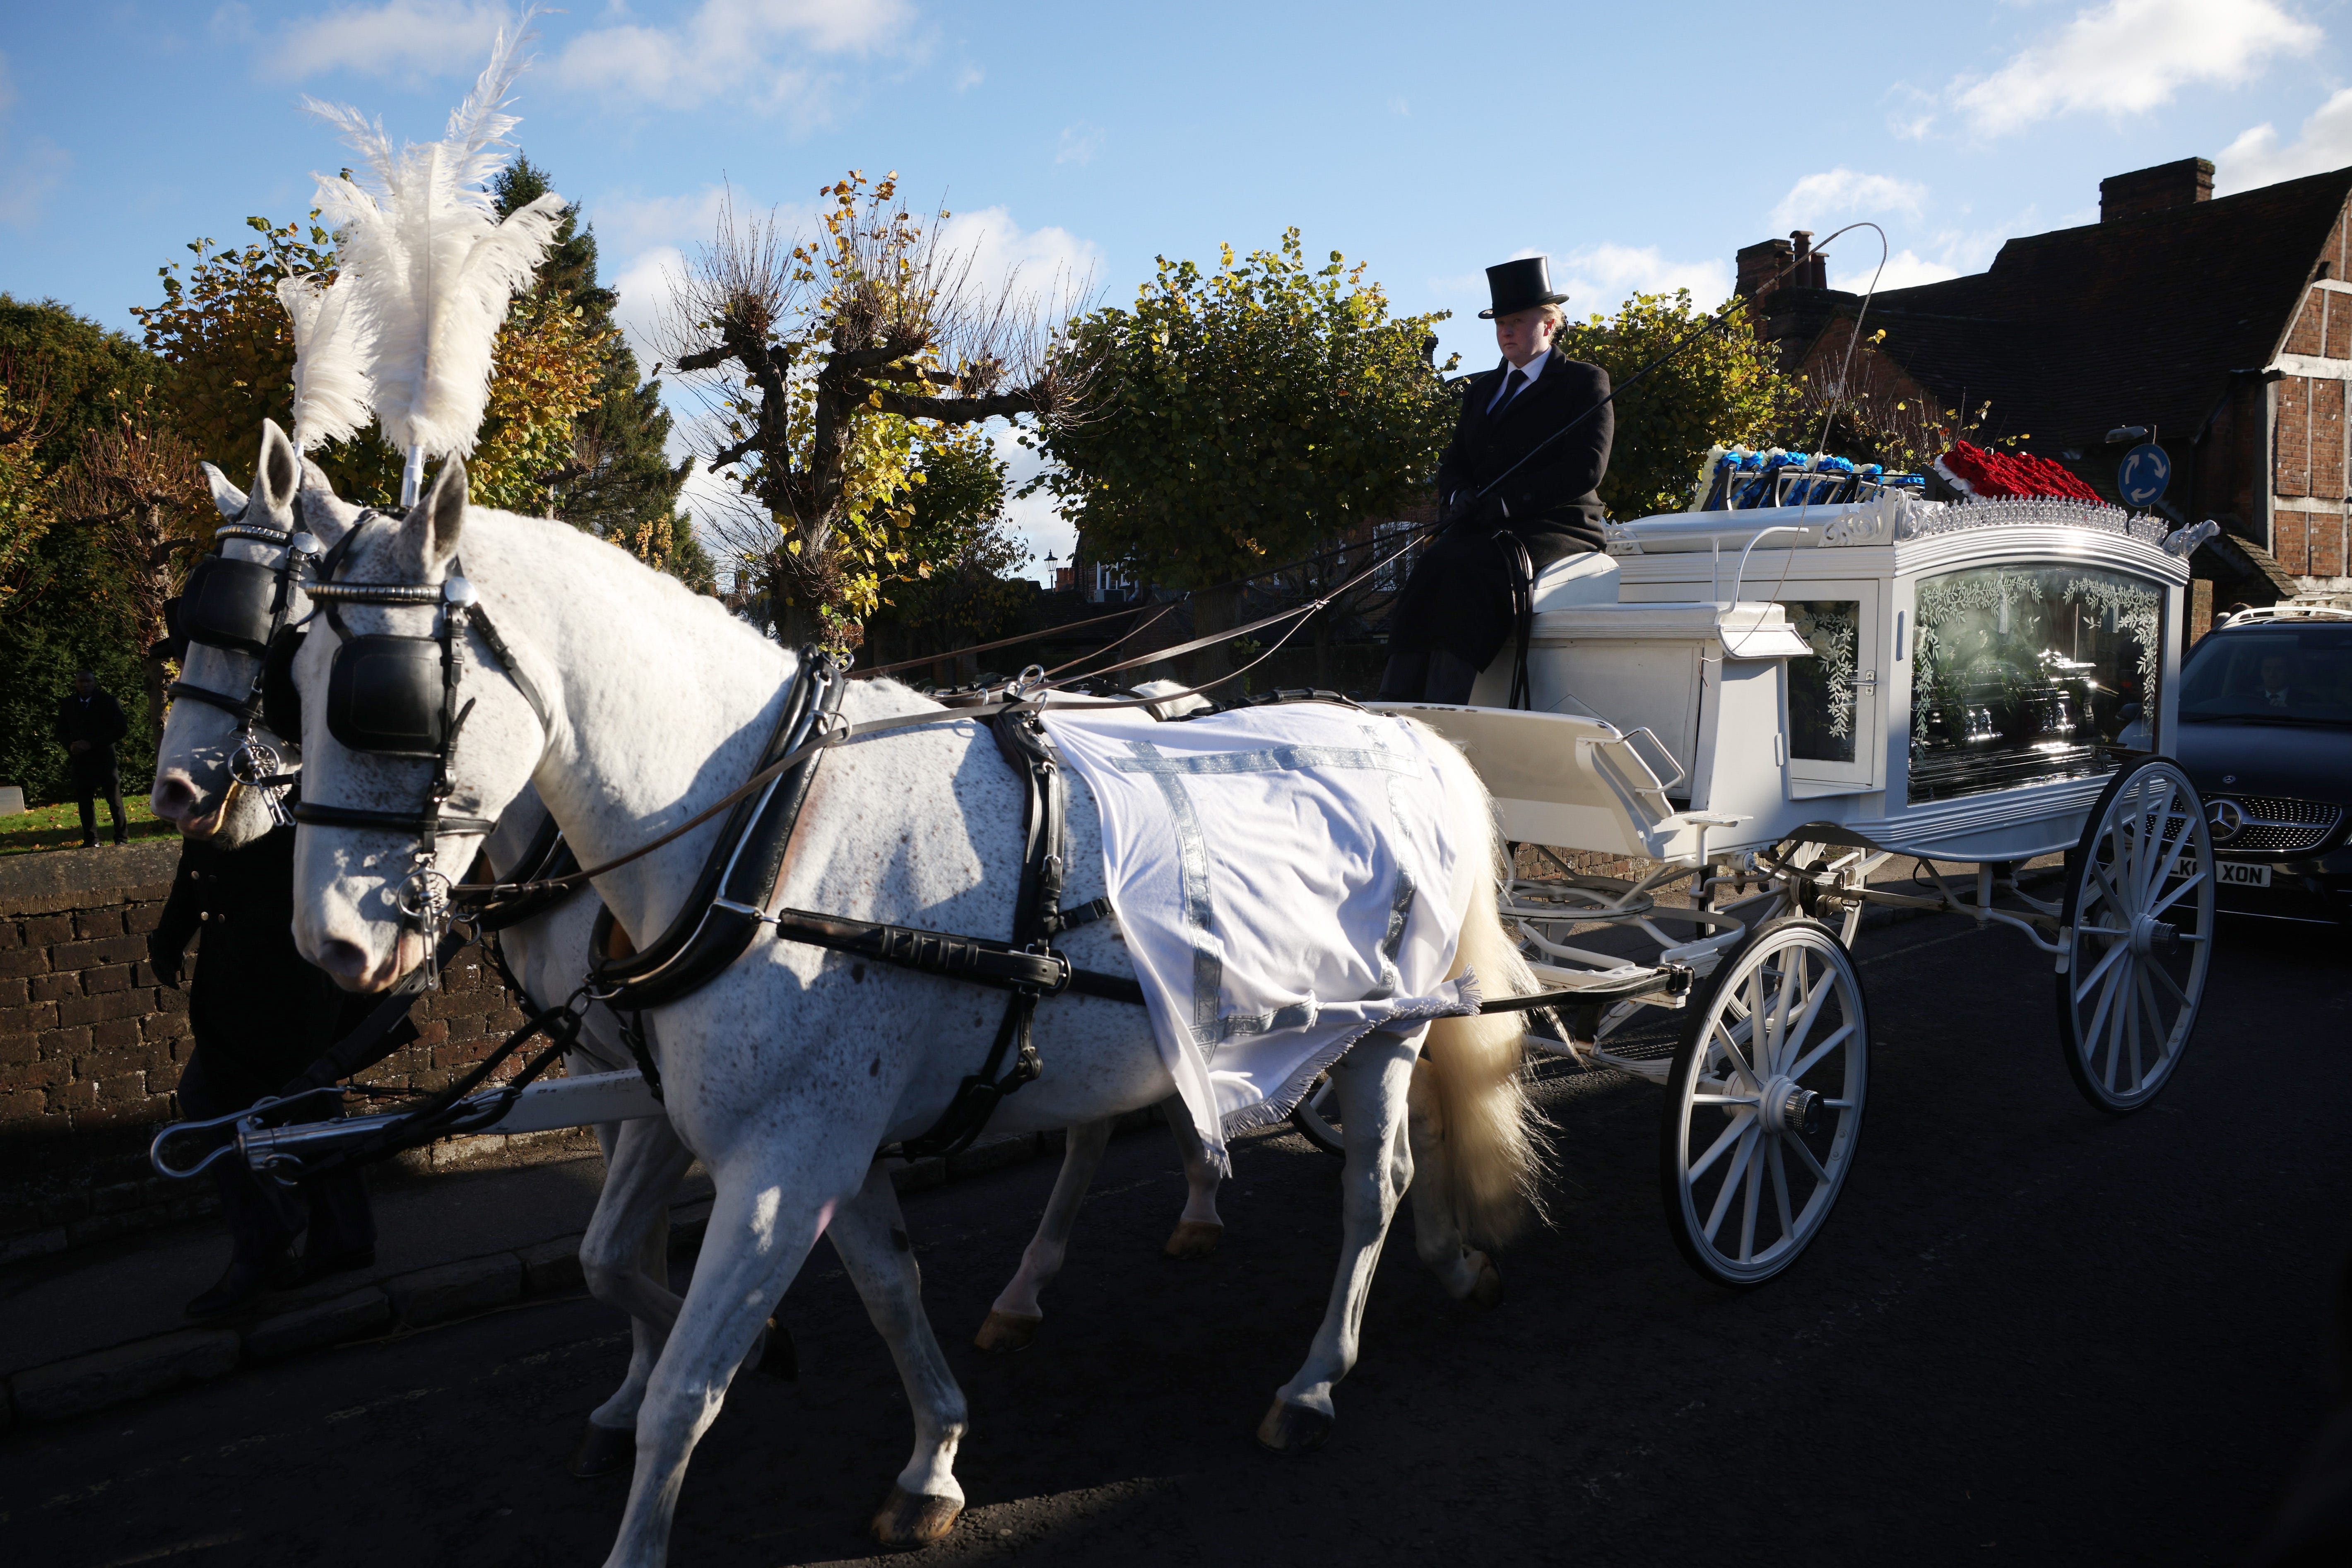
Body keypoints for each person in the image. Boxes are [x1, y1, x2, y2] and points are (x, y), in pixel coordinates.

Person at [151, 825, 413, 1317]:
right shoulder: (219, 784)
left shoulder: (291, 785)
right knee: (305, 1099)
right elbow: (200, 861)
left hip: (292, 979)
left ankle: (262, 1241)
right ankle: (345, 1234)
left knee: (212, 1096)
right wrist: (170, 935)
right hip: (241, 977)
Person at [1379, 255, 1614, 705]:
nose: (1506, 332)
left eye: (1517, 321)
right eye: (1500, 323)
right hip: (1483, 526)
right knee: (1430, 566)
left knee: (1469, 568)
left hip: (1555, 526)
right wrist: (1459, 494)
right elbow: (1453, 463)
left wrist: (1506, 502)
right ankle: (1392, 700)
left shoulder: (1583, 382)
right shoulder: (1481, 391)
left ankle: (1445, 702)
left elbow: (1586, 467)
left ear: (1549, 325)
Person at [55, 670, 130, 847]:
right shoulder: (69, 704)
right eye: (81, 682)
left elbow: (121, 729)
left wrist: (92, 744)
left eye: (88, 681)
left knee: (114, 800)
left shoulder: (108, 701)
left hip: (105, 758)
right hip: (81, 760)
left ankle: (121, 838)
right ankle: (91, 840)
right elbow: (60, 731)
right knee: (85, 800)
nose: (85, 685)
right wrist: (71, 745)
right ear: (76, 684)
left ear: (94, 682)